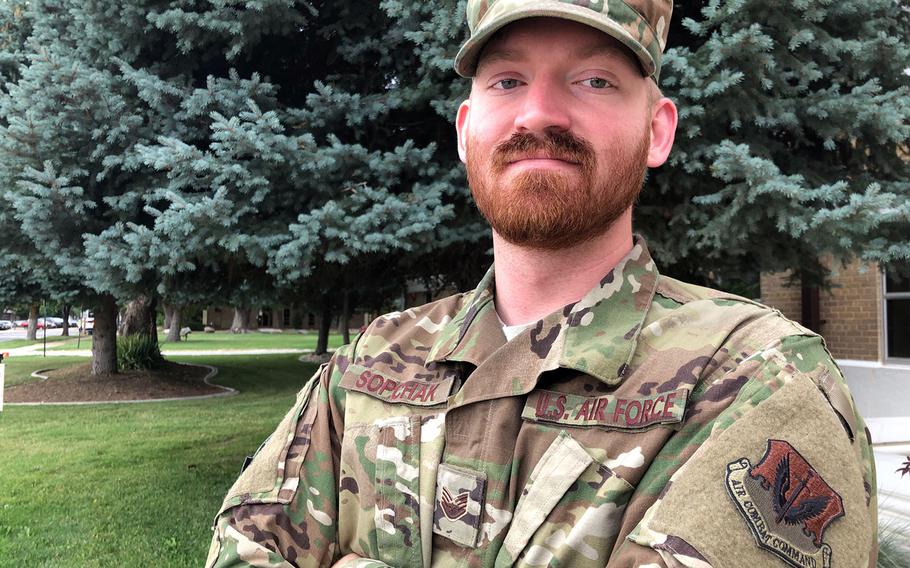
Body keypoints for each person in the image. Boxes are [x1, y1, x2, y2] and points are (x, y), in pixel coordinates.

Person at [206, 1, 878, 566]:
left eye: (593, 81)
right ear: (468, 133)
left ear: (657, 130)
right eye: (506, 81)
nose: (539, 114)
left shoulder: (755, 378)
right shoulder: (369, 364)